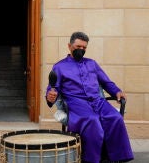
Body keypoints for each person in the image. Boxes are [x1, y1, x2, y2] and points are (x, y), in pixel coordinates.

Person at [46, 32, 134, 163]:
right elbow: (53, 89)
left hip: (98, 101)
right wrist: (50, 96)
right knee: (92, 120)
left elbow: (106, 82)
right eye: (78, 46)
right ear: (69, 46)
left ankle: (116, 157)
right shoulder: (59, 66)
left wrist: (117, 91)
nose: (81, 50)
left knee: (115, 118)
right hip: (76, 103)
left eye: (84, 48)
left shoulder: (92, 63)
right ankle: (91, 159)